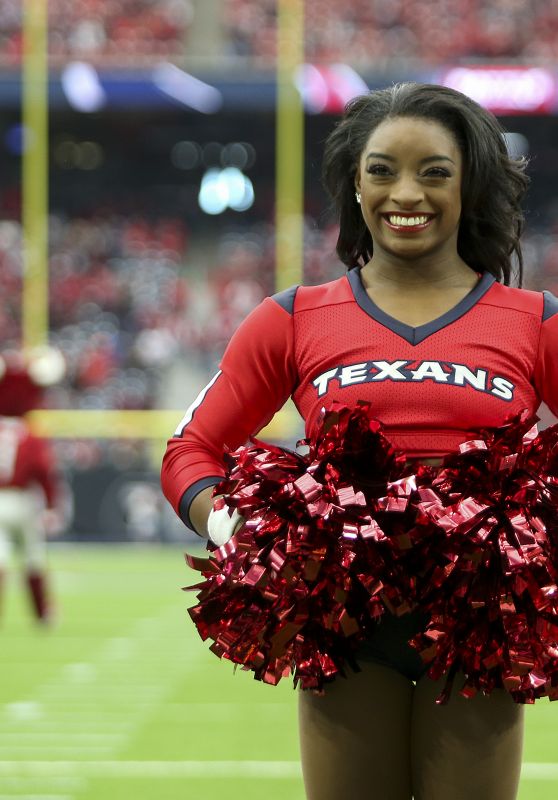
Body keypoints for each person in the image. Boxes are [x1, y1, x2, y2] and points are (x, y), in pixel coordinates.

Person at [161, 82, 558, 800]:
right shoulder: (292, 318)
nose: (407, 193)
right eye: (382, 170)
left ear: (471, 182)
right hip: (345, 625)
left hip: (479, 626)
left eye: (435, 171)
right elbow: (190, 450)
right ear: (353, 182)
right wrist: (231, 523)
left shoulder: (535, 321)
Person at [0, 347, 68, 625]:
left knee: (1, 558)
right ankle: (42, 615)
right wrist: (53, 504)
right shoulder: (28, 434)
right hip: (23, 499)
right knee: (33, 556)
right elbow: (43, 470)